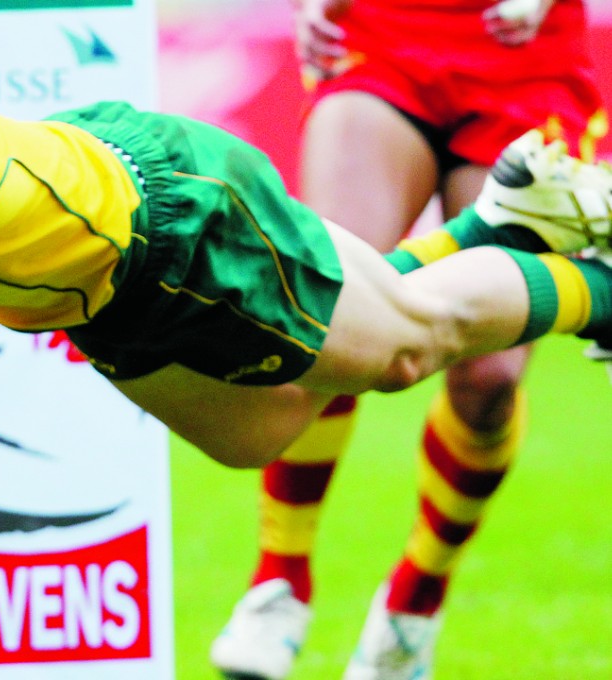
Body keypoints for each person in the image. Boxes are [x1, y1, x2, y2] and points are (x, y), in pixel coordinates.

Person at [0, 2, 612, 679]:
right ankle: (497, 220)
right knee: (259, 433)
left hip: (179, 228)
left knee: (401, 352)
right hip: (103, 297)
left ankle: (590, 284)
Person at [208, 0, 607, 678]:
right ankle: (280, 581)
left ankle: (416, 601)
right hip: (383, 36)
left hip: (525, 57)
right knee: (329, 308)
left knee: (489, 383)